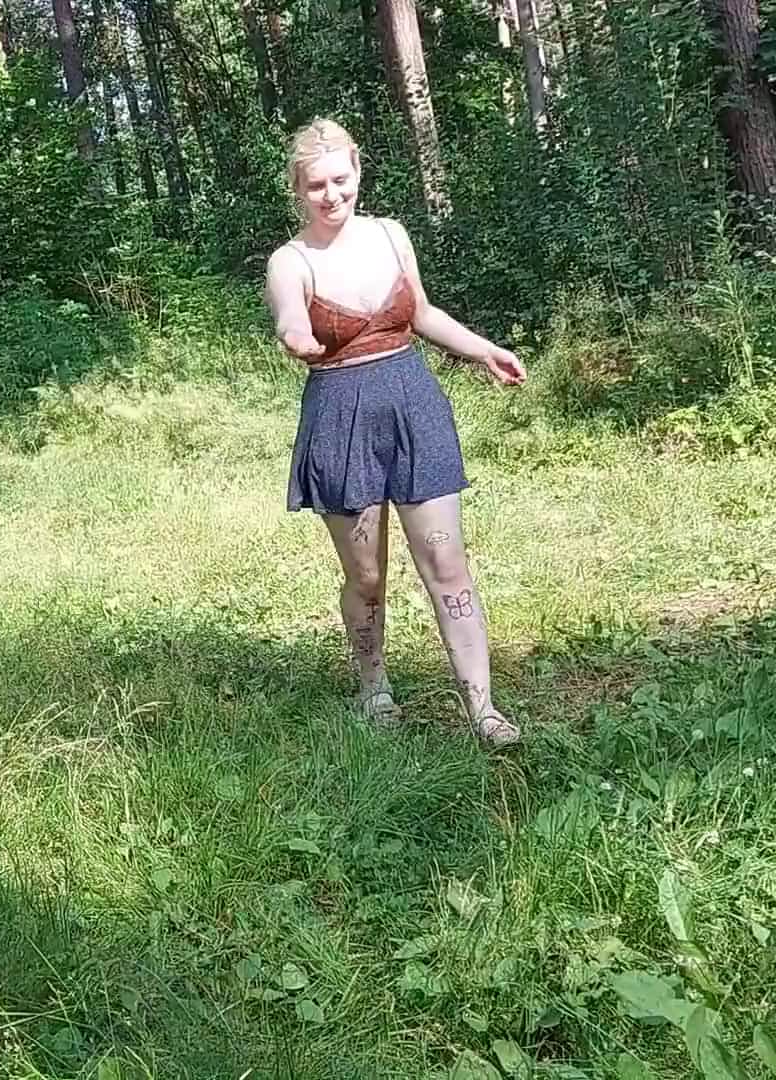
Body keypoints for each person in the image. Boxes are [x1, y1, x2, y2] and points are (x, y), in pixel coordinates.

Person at [263, 118, 528, 750]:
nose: (331, 195)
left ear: (357, 170)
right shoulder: (290, 261)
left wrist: (482, 350)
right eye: (316, 186)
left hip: (414, 407)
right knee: (368, 577)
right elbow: (290, 317)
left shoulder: (390, 235)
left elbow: (424, 312)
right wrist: (297, 337)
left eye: (340, 179)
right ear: (297, 190)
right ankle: (374, 686)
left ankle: (483, 709)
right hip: (340, 419)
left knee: (447, 564)